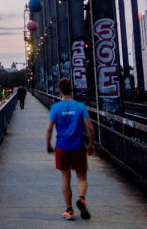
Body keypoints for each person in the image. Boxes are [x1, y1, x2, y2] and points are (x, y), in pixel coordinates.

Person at [45, 77, 95, 221]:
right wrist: (91, 144)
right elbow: (89, 127)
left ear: (59, 91)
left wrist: (48, 145)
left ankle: (69, 210)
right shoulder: (80, 106)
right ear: (71, 90)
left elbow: (49, 129)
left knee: (65, 178)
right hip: (78, 146)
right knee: (81, 177)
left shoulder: (55, 108)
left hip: (62, 147)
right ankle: (81, 199)